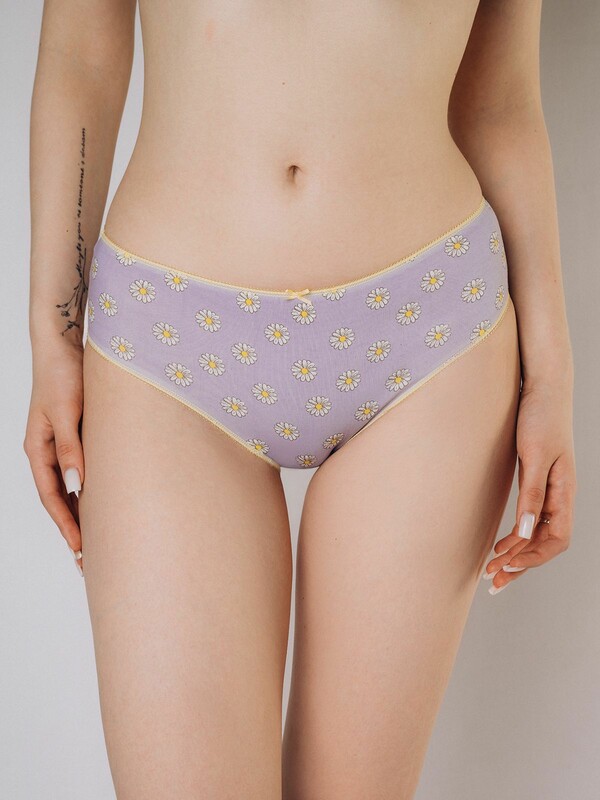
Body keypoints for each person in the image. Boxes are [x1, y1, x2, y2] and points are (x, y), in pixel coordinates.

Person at [24, 1, 576, 797]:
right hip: (165, 341)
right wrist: (52, 334)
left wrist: (552, 376)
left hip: (427, 336)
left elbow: (499, 102)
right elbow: (80, 58)